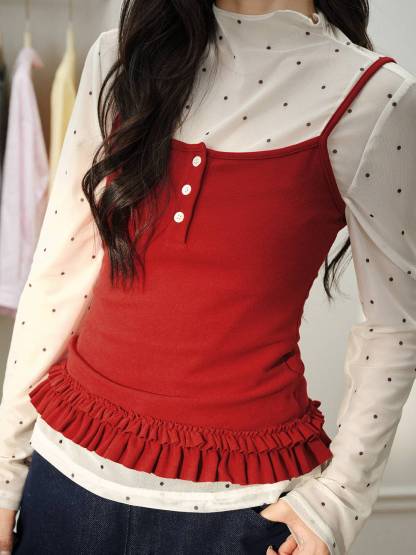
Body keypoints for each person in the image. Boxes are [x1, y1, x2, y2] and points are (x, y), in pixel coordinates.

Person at [0, 1, 415, 554]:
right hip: (62, 482)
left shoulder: (376, 99)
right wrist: (5, 473)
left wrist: (339, 500)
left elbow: (397, 325)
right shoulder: (121, 57)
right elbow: (59, 271)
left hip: (238, 509)